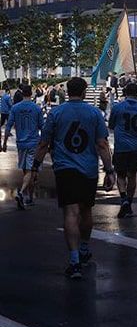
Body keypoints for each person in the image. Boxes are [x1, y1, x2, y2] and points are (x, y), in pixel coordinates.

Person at [32, 77, 116, 279]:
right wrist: (109, 170)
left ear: (67, 91)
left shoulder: (56, 113)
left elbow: (44, 143)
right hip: (88, 168)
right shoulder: (94, 113)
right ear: (85, 91)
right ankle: (85, 247)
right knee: (86, 210)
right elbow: (102, 144)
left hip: (65, 168)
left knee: (71, 212)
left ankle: (74, 259)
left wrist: (35, 166)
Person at [108, 81, 137, 218]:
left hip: (121, 146)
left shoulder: (117, 107)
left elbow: (112, 125)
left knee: (120, 174)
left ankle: (124, 197)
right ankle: (129, 203)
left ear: (125, 93)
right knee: (133, 175)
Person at [4, 86, 44, 210]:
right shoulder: (36, 108)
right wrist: (45, 144)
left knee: (27, 171)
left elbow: (8, 126)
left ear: (21, 94)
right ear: (31, 93)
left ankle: (29, 197)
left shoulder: (15, 108)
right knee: (31, 171)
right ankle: (22, 193)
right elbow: (42, 127)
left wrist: (4, 142)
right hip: (33, 142)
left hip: (21, 142)